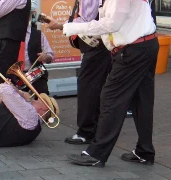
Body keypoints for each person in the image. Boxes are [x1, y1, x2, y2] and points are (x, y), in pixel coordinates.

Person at [49, 0, 158, 167]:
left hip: (133, 50)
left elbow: (111, 24)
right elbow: (118, 22)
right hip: (144, 45)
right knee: (141, 101)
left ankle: (97, 154)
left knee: (111, 99)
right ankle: (145, 151)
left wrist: (73, 27)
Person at [46, 0, 111, 145]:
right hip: (99, 43)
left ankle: (87, 132)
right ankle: (96, 129)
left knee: (88, 86)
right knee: (94, 86)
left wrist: (61, 26)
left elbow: (86, 21)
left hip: (97, 43)